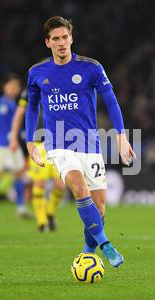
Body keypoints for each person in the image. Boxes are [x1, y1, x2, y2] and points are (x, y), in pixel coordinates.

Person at [25, 16, 136, 267]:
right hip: (58, 143)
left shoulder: (91, 68)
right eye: (56, 39)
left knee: (99, 206)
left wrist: (120, 136)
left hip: (89, 144)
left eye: (65, 37)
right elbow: (32, 108)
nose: (62, 42)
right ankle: (106, 245)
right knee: (78, 188)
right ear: (48, 42)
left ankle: (88, 252)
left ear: (71, 38)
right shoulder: (36, 73)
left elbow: (111, 101)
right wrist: (30, 141)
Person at [10, 89, 66, 232]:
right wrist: (13, 137)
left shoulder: (60, 85)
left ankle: (50, 213)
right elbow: (19, 113)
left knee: (61, 184)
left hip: (58, 143)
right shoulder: (28, 92)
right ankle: (42, 223)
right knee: (39, 182)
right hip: (38, 144)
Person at [0, 74, 30, 220]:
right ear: (5, 87)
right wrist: (18, 135)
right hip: (1, 145)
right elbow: (4, 125)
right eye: (11, 86)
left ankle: (21, 208)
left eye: (16, 87)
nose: (14, 89)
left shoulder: (11, 104)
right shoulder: (4, 103)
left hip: (12, 144)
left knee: (18, 175)